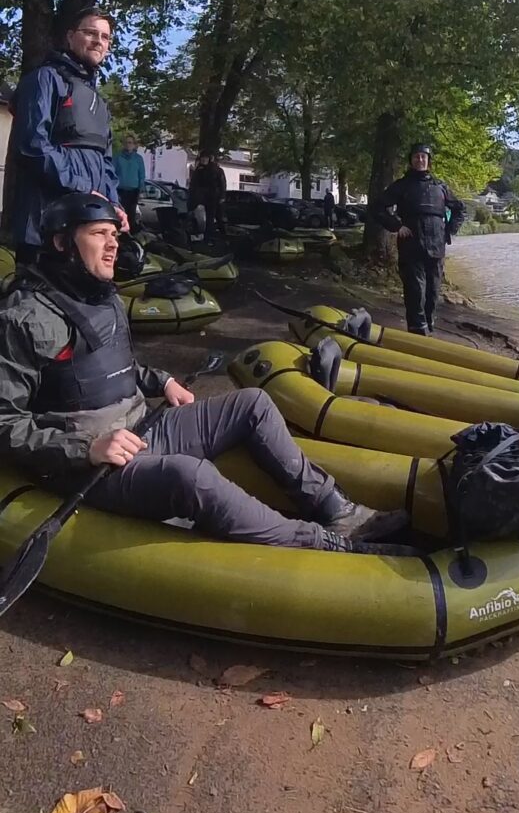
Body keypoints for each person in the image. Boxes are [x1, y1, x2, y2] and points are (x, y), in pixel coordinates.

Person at [0, 193, 410, 553]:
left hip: (142, 427)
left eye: (114, 235)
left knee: (254, 403)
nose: (113, 246)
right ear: (61, 243)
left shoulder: (99, 294)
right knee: (190, 475)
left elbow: (108, 367)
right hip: (91, 464)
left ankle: (336, 509)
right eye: (98, 234)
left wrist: (162, 381)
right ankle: (317, 542)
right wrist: (86, 448)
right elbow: (5, 423)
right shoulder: (25, 317)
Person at [8, 7, 128, 264]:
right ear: (71, 36)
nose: (99, 41)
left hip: (87, 228)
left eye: (105, 37)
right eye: (90, 33)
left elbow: (106, 162)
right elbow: (31, 145)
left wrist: (114, 204)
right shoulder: (44, 79)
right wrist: (82, 188)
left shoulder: (99, 102)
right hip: (45, 225)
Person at [374, 143, 466, 335]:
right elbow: (377, 207)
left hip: (436, 245)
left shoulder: (440, 187)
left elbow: (459, 209)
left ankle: (429, 327)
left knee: (433, 292)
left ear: (429, 161)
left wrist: (449, 230)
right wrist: (397, 226)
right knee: (416, 291)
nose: (420, 159)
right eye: (416, 156)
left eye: (423, 157)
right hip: (411, 245)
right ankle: (417, 331)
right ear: (411, 160)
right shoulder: (402, 185)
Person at [188, 155, 227, 240]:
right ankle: (212, 235)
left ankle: (212, 235)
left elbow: (222, 183)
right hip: (204, 197)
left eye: (205, 158)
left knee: (213, 216)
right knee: (211, 216)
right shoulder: (199, 170)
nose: (203, 160)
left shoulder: (216, 170)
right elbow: (193, 183)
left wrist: (222, 196)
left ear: (210, 159)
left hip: (213, 197)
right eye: (202, 158)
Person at [113, 135, 146, 231]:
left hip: (133, 191)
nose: (128, 145)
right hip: (120, 190)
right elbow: (112, 173)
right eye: (126, 142)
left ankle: (130, 235)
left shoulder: (138, 159)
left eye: (130, 142)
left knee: (131, 215)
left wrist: (141, 189)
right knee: (120, 214)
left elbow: (142, 175)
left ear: (134, 145)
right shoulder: (117, 157)